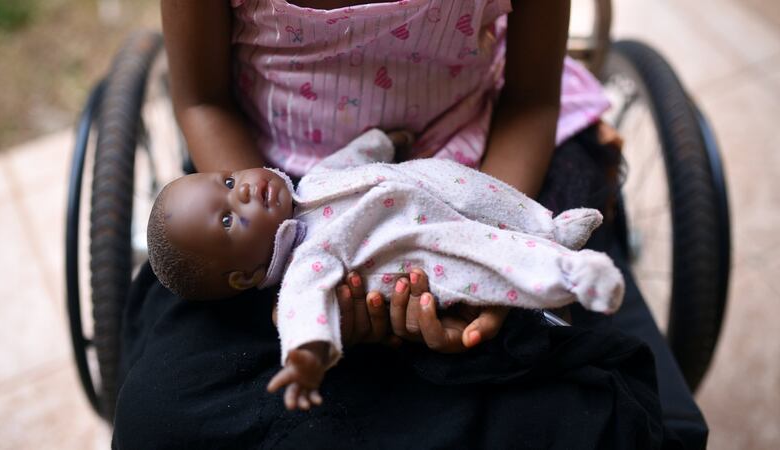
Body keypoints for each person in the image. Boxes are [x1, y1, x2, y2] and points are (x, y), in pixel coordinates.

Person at [112, 0, 708, 448]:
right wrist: (284, 262)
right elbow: (203, 100)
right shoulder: (257, 206)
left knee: (597, 420)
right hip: (279, 196)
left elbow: (529, 99)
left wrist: (487, 261)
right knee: (156, 421)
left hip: (477, 175)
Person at [146, 129, 625, 409]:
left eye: (230, 181)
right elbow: (302, 306)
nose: (244, 192)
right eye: (228, 218)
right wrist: (307, 354)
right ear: (247, 276)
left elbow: (353, 156)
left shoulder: (313, 181)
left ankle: (549, 229)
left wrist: (381, 141)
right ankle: (568, 276)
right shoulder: (307, 263)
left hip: (435, 181)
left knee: (491, 197)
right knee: (485, 252)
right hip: (420, 244)